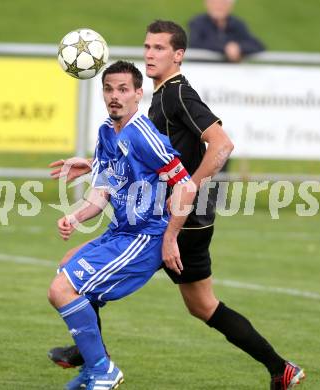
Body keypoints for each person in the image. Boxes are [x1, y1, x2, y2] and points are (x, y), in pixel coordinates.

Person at [49, 21, 305, 390]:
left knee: (72, 272)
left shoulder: (178, 95)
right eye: (147, 47)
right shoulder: (157, 98)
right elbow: (145, 154)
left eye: (160, 48)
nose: (150, 54)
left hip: (180, 219)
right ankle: (281, 368)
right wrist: (95, 164)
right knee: (203, 306)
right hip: (179, 214)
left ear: (178, 55)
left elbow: (222, 145)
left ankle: (93, 361)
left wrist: (188, 189)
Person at [47, 60, 194, 390]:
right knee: (64, 270)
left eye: (123, 89)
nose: (115, 96)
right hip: (121, 232)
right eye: (109, 89)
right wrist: (75, 216)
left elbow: (187, 185)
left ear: (138, 94)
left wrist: (170, 238)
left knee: (62, 289)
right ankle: (91, 366)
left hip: (147, 237)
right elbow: (103, 191)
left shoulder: (144, 136)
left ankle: (102, 369)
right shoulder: (104, 132)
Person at [189, 0, 265, 62]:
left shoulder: (237, 24)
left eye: (223, 3)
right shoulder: (198, 23)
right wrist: (225, 48)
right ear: (207, 4)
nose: (218, 6)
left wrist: (239, 48)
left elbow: (257, 45)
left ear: (230, 6)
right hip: (204, 72)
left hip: (230, 75)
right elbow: (195, 44)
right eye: (214, 3)